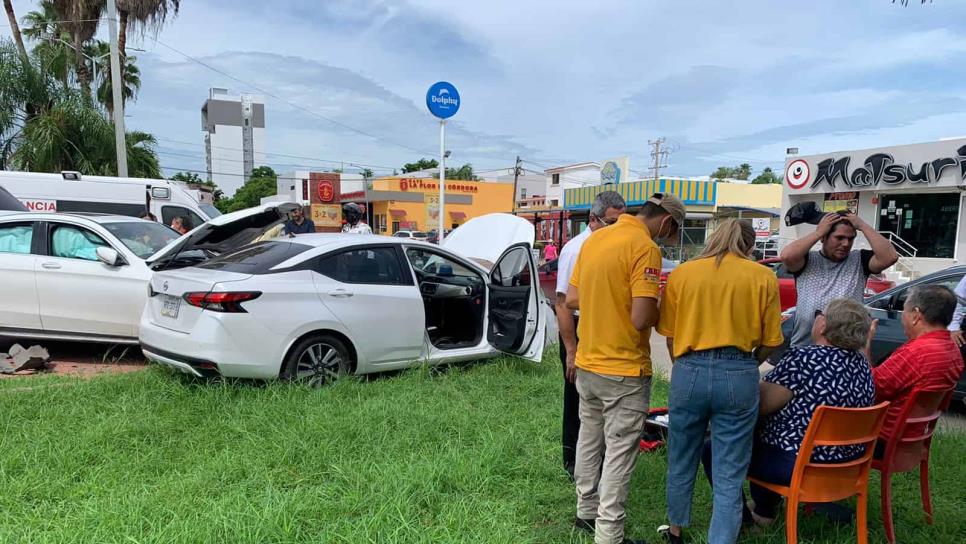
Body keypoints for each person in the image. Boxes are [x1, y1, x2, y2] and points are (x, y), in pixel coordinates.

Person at [566, 192, 686, 544]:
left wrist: (605, 300)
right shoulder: (645, 248)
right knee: (619, 452)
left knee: (589, 440)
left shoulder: (596, 239)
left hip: (588, 362)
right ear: (666, 222)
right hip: (624, 370)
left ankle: (584, 512)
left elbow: (572, 299)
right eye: (672, 232)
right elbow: (639, 319)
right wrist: (662, 308)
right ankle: (609, 535)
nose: (667, 239)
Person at [657, 219, 784, 544]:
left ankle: (675, 531)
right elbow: (772, 339)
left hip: (688, 370)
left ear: (713, 238)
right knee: (730, 468)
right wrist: (746, 365)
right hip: (738, 373)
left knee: (681, 456)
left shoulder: (683, 273)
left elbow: (670, 335)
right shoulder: (762, 276)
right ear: (751, 246)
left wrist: (686, 367)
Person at [702, 298, 876, 528]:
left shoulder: (803, 359)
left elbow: (759, 405)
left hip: (801, 467)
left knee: (714, 448)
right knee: (771, 435)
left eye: (818, 314)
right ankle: (764, 510)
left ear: (823, 325)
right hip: (848, 466)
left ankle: (745, 522)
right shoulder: (863, 366)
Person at [555, 190, 626, 480]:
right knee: (576, 399)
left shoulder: (615, 245)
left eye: (622, 221)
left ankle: (602, 461)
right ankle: (574, 462)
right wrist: (571, 350)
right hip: (578, 332)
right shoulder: (576, 249)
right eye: (611, 221)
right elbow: (562, 304)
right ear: (594, 219)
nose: (618, 227)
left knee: (603, 404)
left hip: (604, 331)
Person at [780, 211, 898, 347]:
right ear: (824, 237)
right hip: (805, 347)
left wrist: (863, 226)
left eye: (851, 238)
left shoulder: (860, 260)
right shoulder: (807, 260)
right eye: (839, 238)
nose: (846, 243)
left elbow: (890, 257)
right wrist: (818, 232)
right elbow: (787, 256)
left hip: (847, 349)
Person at [872, 285, 964, 447]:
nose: (902, 318)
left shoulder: (916, 353)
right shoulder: (954, 352)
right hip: (915, 438)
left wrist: (863, 346)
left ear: (916, 315)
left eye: (904, 312)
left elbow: (871, 389)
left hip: (883, 439)